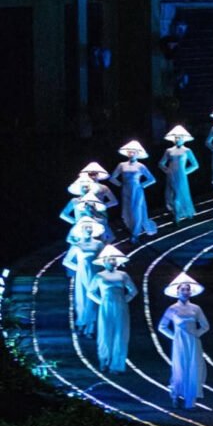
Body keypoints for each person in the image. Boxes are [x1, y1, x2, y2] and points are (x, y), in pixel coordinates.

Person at [158, 272, 210, 410]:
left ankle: (190, 400)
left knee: (194, 367)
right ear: (178, 291)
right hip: (179, 342)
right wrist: (174, 336)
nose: (186, 291)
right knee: (179, 368)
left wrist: (197, 334)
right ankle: (175, 395)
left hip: (193, 342)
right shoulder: (172, 309)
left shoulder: (196, 308)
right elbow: (162, 326)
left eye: (188, 289)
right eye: (183, 289)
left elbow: (205, 325)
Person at [87, 244, 137, 372]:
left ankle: (117, 364)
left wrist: (124, 301)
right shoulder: (99, 276)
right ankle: (104, 359)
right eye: (110, 259)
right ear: (104, 261)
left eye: (114, 259)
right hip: (106, 306)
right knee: (105, 332)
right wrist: (101, 302)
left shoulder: (123, 275)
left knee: (120, 333)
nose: (112, 261)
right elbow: (90, 292)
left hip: (121, 306)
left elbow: (133, 291)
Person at [62, 216, 105, 338]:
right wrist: (79, 268)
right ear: (81, 229)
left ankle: (90, 327)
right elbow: (66, 261)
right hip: (82, 275)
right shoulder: (77, 245)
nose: (88, 229)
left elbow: (103, 258)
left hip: (95, 273)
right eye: (86, 227)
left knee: (93, 298)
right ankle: (81, 323)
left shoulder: (99, 244)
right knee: (81, 299)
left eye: (90, 227)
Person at [110, 141, 157, 243]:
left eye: (133, 152)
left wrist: (141, 185)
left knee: (137, 211)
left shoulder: (140, 166)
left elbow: (152, 179)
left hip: (137, 191)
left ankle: (135, 234)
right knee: (127, 211)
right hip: (126, 190)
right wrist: (120, 185)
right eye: (130, 152)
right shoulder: (121, 165)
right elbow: (112, 178)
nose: (131, 154)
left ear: (137, 154)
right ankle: (132, 229)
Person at [159, 125, 199, 224]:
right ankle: (176, 213)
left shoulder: (187, 150)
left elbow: (195, 165)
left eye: (179, 137)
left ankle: (177, 216)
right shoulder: (169, 150)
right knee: (172, 194)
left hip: (181, 176)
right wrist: (167, 170)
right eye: (176, 137)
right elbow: (161, 163)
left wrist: (185, 172)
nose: (177, 139)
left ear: (183, 139)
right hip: (171, 175)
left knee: (178, 195)